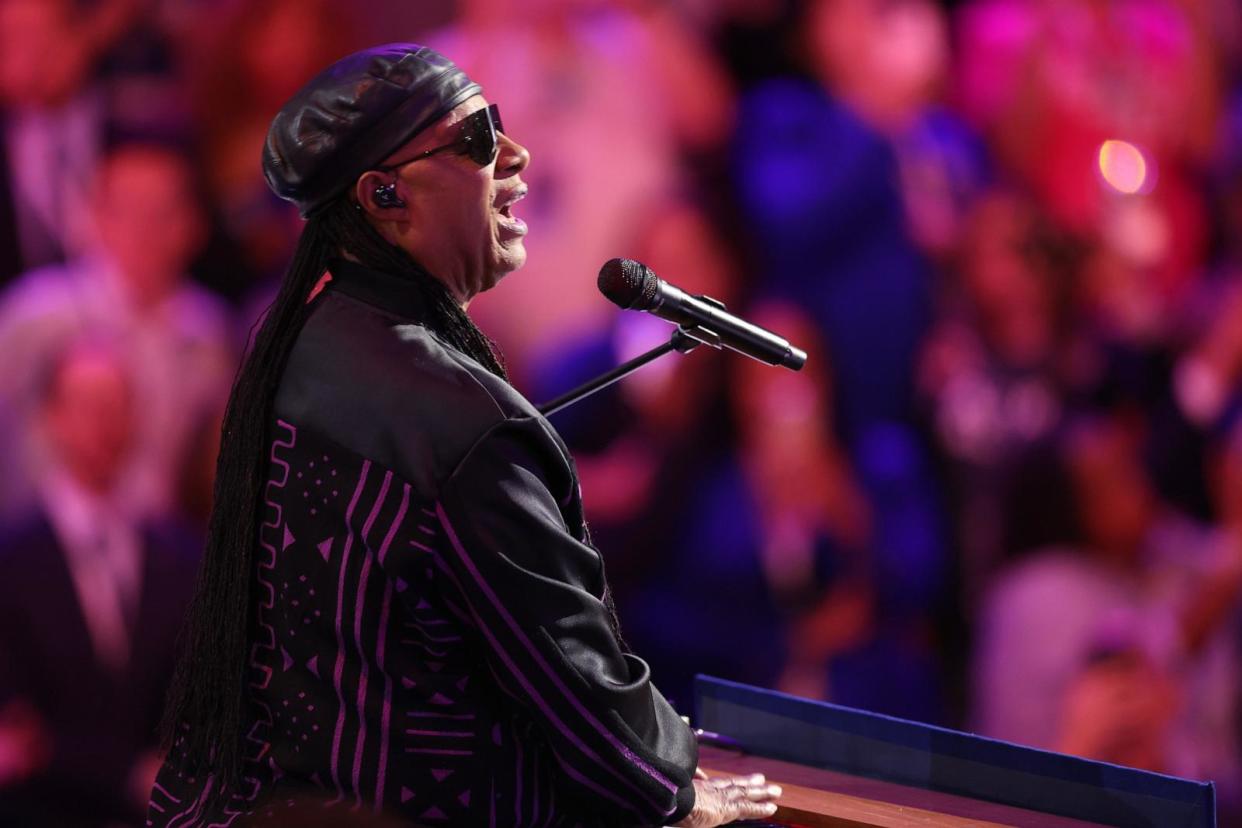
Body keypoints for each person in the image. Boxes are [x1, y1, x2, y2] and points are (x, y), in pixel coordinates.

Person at [148, 44, 781, 826]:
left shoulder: (300, 345)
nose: (517, 156)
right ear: (386, 195)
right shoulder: (463, 419)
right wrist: (675, 783)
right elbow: (573, 679)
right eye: (479, 139)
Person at [0, 337, 200, 827]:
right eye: (86, 406)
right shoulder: (11, 556)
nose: (103, 424)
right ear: (50, 419)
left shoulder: (179, 554)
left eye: (117, 406)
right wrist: (123, 771)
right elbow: (17, 734)